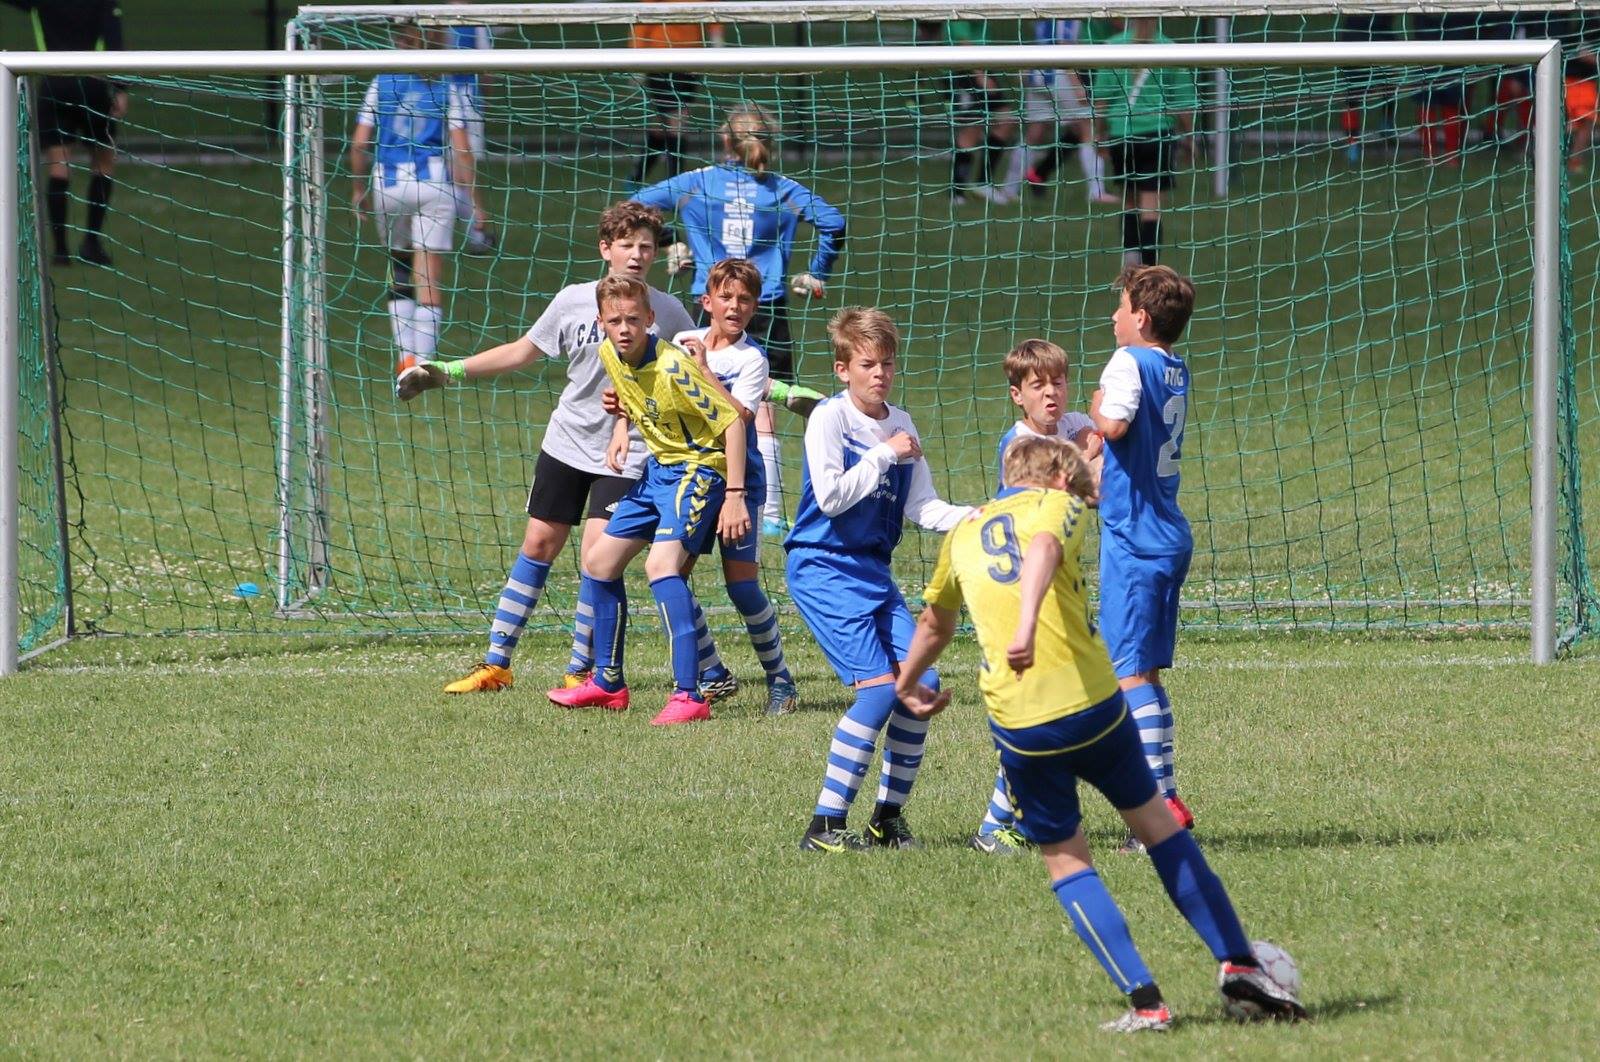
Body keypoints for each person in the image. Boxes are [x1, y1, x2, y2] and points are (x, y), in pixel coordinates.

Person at [895, 434, 1306, 1032]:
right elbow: (1042, 547)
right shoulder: (1057, 503)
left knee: (1066, 862)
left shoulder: (962, 533)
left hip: (1020, 725)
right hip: (1091, 705)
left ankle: (1147, 1004)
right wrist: (1028, 624)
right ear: (1059, 477)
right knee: (1158, 828)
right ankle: (1240, 963)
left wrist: (908, 682)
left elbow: (935, 622)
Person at [398, 201, 699, 696]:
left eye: (646, 246)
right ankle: (496, 664)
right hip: (567, 441)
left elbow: (702, 365)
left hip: (629, 453)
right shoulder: (572, 301)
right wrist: (447, 371)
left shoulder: (666, 311)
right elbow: (523, 351)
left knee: (596, 558)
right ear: (605, 248)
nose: (637, 255)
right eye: (627, 245)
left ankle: (582, 671)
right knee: (537, 543)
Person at [789, 308, 972, 852]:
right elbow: (831, 498)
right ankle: (824, 827)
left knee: (923, 683)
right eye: (868, 364)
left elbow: (923, 506)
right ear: (842, 369)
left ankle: (886, 821)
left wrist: (979, 517)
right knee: (878, 691)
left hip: (872, 571)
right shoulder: (830, 418)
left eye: (887, 364)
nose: (880, 374)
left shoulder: (902, 422)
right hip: (822, 566)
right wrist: (882, 454)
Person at [633, 104, 844, 536]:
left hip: (709, 305)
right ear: (770, 143)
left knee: (696, 398)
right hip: (764, 304)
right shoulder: (782, 190)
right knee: (761, 404)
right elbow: (833, 222)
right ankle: (769, 513)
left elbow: (634, 205)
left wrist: (670, 242)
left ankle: (691, 492)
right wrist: (817, 272)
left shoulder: (696, 183)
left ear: (725, 140)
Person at [548, 275, 746, 726]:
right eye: (615, 320)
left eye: (633, 320)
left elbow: (732, 423)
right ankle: (608, 683)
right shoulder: (609, 353)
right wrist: (621, 428)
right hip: (657, 470)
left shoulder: (675, 367)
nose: (624, 329)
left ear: (650, 319)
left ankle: (690, 695)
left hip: (698, 469)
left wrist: (736, 495)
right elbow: (631, 393)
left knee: (661, 567)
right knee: (598, 562)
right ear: (601, 322)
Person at [971, 338, 1104, 856]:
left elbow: (1090, 436)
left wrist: (1094, 432)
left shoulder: (1068, 425)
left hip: (1055, 586)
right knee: (1038, 711)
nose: (1051, 394)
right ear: (1017, 395)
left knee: (1052, 710)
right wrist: (1092, 452)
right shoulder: (1020, 446)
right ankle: (994, 826)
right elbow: (1081, 484)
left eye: (1058, 383)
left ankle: (1017, 819)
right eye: (1037, 386)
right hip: (1021, 589)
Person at [1088, 265, 1197, 849]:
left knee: (1128, 675)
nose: (1114, 316)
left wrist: (1096, 406)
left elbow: (1114, 423)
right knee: (1146, 673)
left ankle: (1154, 818)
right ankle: (1168, 796)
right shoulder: (1175, 366)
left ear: (1143, 318)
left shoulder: (1127, 362)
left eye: (1122, 307)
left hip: (1134, 539)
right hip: (1167, 533)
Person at [670, 258, 801, 715]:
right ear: (706, 301)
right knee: (671, 576)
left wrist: (705, 371)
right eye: (725, 297)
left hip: (739, 483)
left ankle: (780, 680)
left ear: (755, 307)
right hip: (692, 478)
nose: (735, 306)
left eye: (745, 299)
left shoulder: (752, 358)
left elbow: (739, 418)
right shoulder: (681, 342)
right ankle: (712, 670)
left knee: (741, 587)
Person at [349, 21, 487, 391]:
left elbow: (359, 143)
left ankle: (405, 358)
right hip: (433, 184)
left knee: (399, 269)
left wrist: (358, 188)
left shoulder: (382, 81)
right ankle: (423, 365)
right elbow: (462, 150)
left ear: (399, 42)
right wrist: (475, 204)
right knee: (428, 279)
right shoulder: (446, 85)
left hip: (388, 185)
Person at [4, 0, 127, 266]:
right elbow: (114, 40)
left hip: (55, 84)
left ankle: (60, 250)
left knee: (58, 166)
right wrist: (120, 87)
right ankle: (91, 243)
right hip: (92, 84)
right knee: (103, 162)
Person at [1091, 18, 1197, 267]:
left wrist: (1100, 134)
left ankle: (1131, 267)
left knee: (1129, 200)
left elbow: (1102, 101)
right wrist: (1190, 138)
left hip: (1122, 134)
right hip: (1157, 134)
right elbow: (1183, 104)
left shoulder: (1112, 47)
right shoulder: (1170, 49)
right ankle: (1150, 270)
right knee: (1151, 205)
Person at [1007, 18, 1115, 204]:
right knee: (1087, 127)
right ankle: (1096, 191)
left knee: (1035, 133)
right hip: (1059, 74)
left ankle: (1009, 189)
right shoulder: (1067, 14)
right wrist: (1076, 82)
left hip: (1037, 74)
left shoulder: (1042, 12)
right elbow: (1063, 43)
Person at [627, 0, 724, 187]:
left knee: (663, 125)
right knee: (677, 122)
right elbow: (641, 21)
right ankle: (675, 184)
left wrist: (717, 41)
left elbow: (713, 13)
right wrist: (636, 62)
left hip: (690, 63)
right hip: (659, 61)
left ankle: (636, 177)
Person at [943, 19, 1021, 205]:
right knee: (972, 128)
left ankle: (982, 182)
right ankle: (957, 191)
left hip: (981, 67)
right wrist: (980, 75)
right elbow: (962, 42)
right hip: (963, 70)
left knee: (1007, 121)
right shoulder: (958, 11)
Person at [446, 0, 497, 253]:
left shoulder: (435, 19)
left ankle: (471, 230)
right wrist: (485, 95)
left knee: (455, 169)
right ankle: (476, 229)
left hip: (439, 97)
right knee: (462, 165)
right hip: (463, 100)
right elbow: (487, 69)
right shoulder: (474, 21)